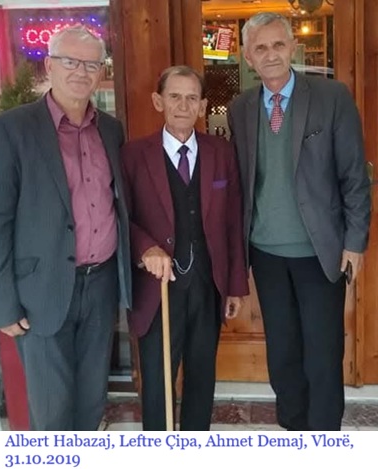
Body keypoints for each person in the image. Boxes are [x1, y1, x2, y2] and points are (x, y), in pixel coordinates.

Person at [0, 25, 131, 431]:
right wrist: (1, 303)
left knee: (92, 401)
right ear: (49, 65)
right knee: (51, 411)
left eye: (91, 64)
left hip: (100, 287)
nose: (81, 71)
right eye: (70, 61)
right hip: (40, 292)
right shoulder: (11, 130)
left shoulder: (111, 130)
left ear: (101, 72)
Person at [228, 12, 371, 431]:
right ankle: (293, 433)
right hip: (265, 254)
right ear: (248, 57)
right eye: (260, 48)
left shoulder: (331, 97)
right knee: (283, 353)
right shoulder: (240, 108)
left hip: (319, 252)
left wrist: (355, 241)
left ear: (293, 47)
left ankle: (323, 439)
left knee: (323, 354)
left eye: (278, 44)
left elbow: (354, 175)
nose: (270, 54)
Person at [121, 65, 249, 430]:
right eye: (174, 96)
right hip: (156, 289)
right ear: (158, 101)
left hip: (208, 285)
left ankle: (195, 446)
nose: (183, 105)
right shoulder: (133, 155)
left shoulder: (221, 152)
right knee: (157, 379)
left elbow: (233, 221)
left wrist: (235, 286)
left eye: (192, 98)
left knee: (202, 375)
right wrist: (146, 249)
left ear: (204, 106)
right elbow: (121, 217)